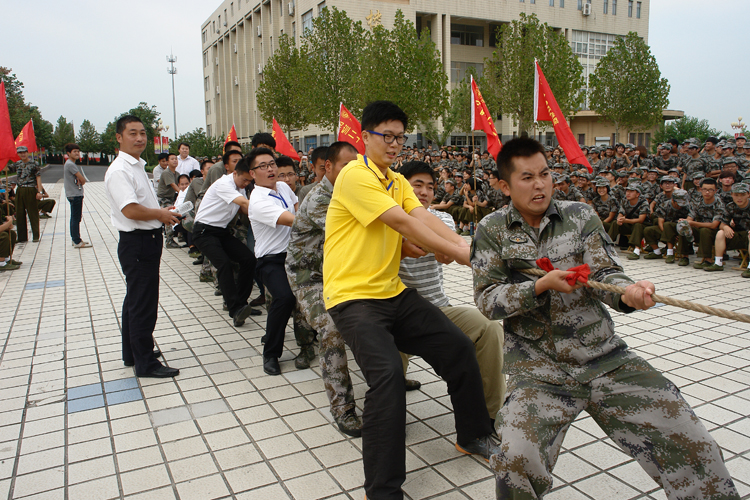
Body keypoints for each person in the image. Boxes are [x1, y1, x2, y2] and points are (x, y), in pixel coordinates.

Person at [471, 136, 740, 500]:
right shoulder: (492, 229)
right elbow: (488, 301)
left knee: (694, 444)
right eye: (527, 177)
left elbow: (605, 274)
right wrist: (539, 287)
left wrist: (629, 292)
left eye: (545, 174)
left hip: (604, 357)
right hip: (538, 369)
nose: (540, 185)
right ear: (505, 186)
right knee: (515, 459)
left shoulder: (580, 216)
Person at [323, 101, 497, 499]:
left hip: (393, 293)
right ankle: (383, 490)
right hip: (353, 298)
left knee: (457, 346)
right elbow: (400, 221)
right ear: (365, 137)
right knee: (387, 378)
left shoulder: (397, 181)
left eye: (400, 137)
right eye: (386, 136)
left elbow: (422, 217)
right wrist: (462, 254)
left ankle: (474, 434)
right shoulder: (355, 175)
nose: (394, 144)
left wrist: (463, 246)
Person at [398, 160, 505, 421]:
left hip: (436, 307)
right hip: (395, 311)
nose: (424, 192)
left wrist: (457, 251)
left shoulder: (442, 218)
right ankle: (392, 406)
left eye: (430, 187)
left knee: (489, 328)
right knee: (387, 351)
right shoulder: (386, 219)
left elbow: (447, 254)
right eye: (417, 185)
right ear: (400, 187)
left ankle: (491, 415)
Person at [285, 141, 363, 436]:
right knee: (331, 328)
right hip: (309, 276)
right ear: (328, 167)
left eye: (356, 166)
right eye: (345, 166)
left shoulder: (351, 191)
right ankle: (343, 408)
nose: (351, 172)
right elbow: (352, 233)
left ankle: (392, 375)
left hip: (340, 271)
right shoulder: (320, 199)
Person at [103, 115, 180, 379]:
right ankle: (145, 363)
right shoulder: (120, 170)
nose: (139, 138)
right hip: (138, 242)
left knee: (135, 300)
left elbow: (142, 204)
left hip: (146, 240)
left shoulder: (136, 166)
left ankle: (133, 352)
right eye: (132, 133)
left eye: (143, 133)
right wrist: (160, 215)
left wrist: (162, 211)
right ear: (119, 137)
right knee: (143, 304)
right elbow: (131, 210)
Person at [247, 147, 299, 376]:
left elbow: (296, 208)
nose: (270, 169)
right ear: (252, 173)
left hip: (295, 253)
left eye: (272, 164)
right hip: (271, 260)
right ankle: (271, 353)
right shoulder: (258, 200)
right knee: (284, 298)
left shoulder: (284, 187)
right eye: (263, 166)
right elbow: (292, 220)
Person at [192, 157, 260, 327]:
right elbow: (243, 203)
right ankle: (234, 309)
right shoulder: (223, 184)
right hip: (204, 231)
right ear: (235, 173)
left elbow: (244, 209)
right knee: (223, 264)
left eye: (249, 181)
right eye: (245, 180)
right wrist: (265, 209)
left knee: (248, 259)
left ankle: (242, 304)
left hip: (221, 232)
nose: (246, 184)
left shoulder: (240, 187)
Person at [704, 182, 750, 274]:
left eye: (742, 195)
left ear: (748, 194)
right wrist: (725, 227)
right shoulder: (730, 206)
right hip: (739, 235)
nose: (739, 198)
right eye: (736, 195)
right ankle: (718, 263)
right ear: (731, 194)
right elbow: (722, 224)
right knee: (720, 233)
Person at [686, 178, 726, 269]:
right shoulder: (697, 200)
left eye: (710, 190)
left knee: (705, 230)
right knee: (685, 227)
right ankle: (684, 256)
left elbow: (714, 225)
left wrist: (693, 223)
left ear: (715, 191)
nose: (707, 192)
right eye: (704, 189)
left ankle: (707, 260)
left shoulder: (719, 203)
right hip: (700, 228)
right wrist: (686, 222)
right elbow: (690, 217)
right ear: (700, 189)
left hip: (714, 233)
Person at [12, 146, 43, 243]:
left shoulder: (34, 164)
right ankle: (22, 237)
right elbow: (5, 169)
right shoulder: (17, 164)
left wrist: (39, 191)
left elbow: (38, 177)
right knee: (20, 213)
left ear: (27, 152)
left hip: (30, 189)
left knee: (32, 213)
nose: (23, 154)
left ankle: (35, 235)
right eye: (20, 153)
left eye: (24, 152)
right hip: (20, 189)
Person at [63, 143, 91, 248]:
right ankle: (76, 241)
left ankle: (75, 239)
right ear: (68, 153)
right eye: (74, 151)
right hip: (75, 194)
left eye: (78, 151)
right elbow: (83, 180)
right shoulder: (70, 164)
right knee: (75, 218)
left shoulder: (70, 164)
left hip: (73, 194)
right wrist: (80, 180)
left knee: (75, 217)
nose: (77, 153)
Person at [157, 153, 181, 248]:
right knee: (169, 217)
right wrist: (182, 194)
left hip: (172, 198)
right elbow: (173, 185)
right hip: (164, 198)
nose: (175, 160)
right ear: (167, 162)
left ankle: (180, 236)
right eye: (172, 159)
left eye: (176, 159)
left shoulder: (177, 174)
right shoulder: (166, 173)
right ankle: (169, 241)